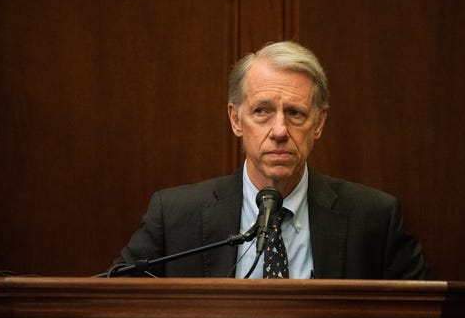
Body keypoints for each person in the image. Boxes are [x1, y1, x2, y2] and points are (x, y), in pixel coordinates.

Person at [111, 41, 433, 279]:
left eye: (295, 113)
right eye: (262, 111)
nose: (279, 130)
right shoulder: (174, 216)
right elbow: (114, 305)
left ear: (319, 123)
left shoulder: (375, 219)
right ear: (236, 119)